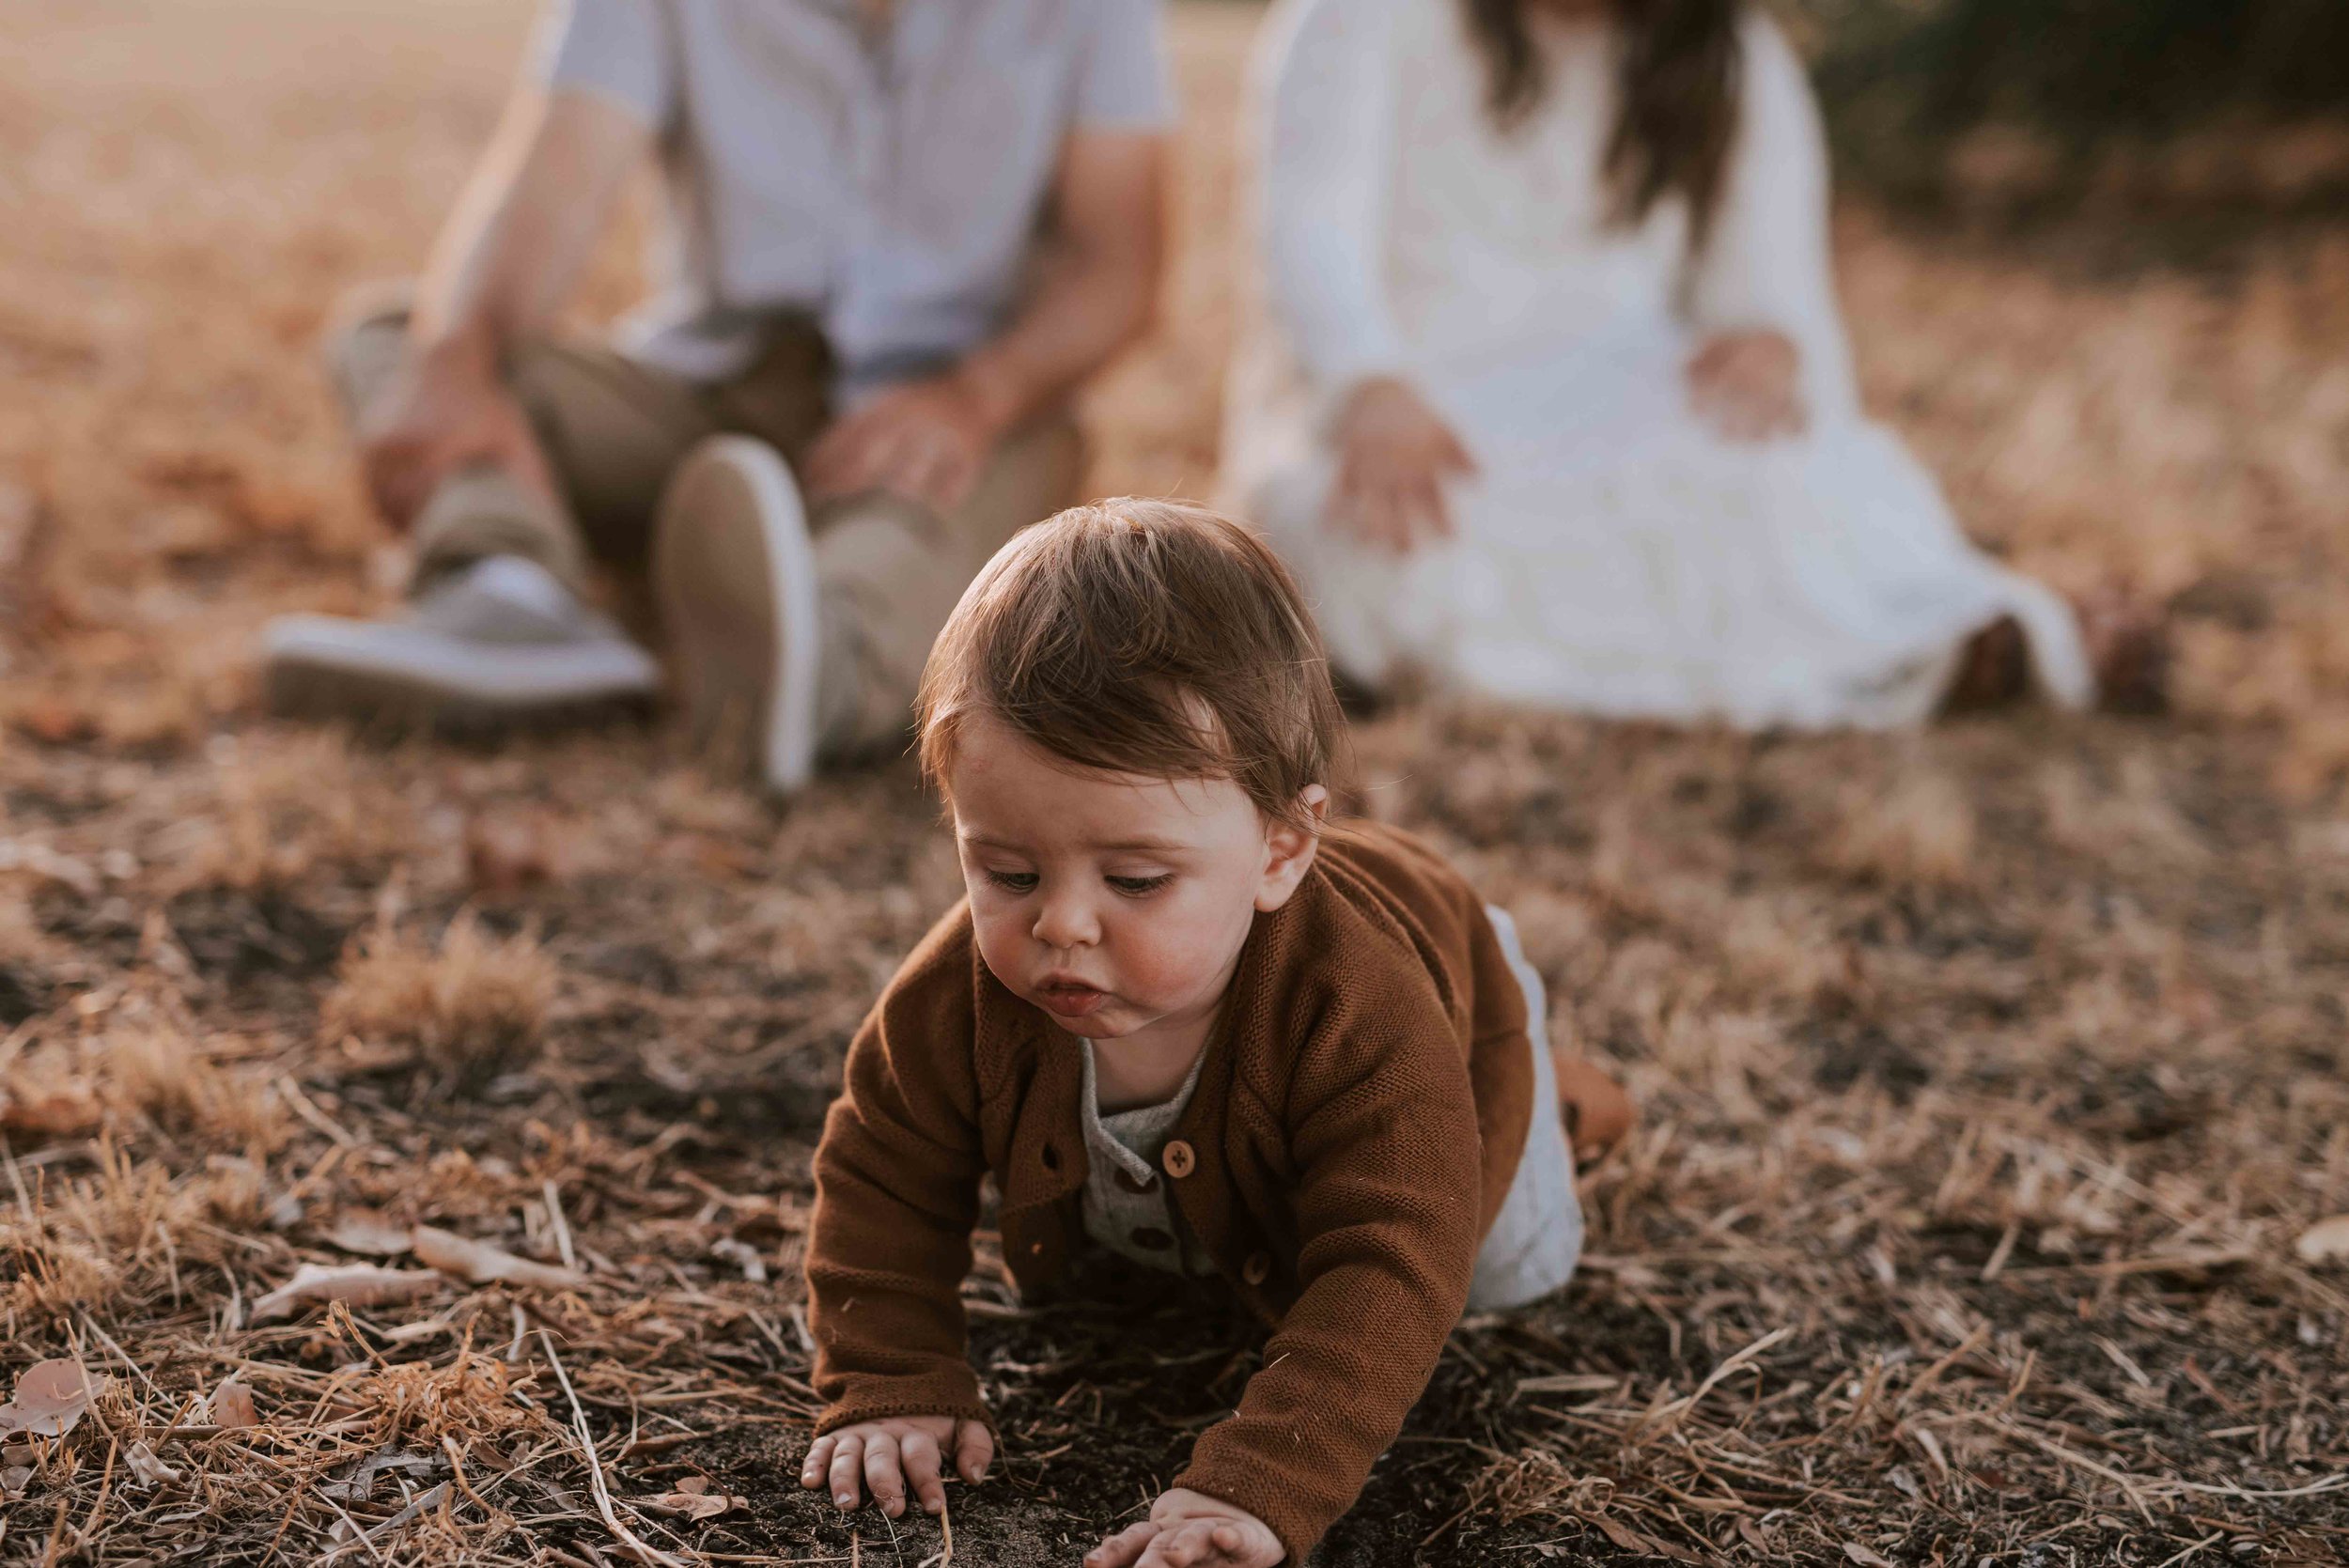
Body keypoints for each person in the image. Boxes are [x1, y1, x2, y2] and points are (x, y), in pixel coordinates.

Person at [795, 500, 1634, 1568]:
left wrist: (1259, 1485)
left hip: (1450, 1015)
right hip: (1268, 1112)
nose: (1061, 922)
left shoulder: (1357, 1011)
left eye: (1135, 879)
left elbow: (1392, 1259)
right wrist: (890, 1375)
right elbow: (883, 1168)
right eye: (1006, 869)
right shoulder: (958, 991)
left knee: (1501, 1264)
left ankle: (1549, 1097)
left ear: (1281, 852)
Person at [263, 0, 1171, 793]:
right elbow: (558, 178)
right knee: (398, 337)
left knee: (936, 526)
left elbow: (1118, 268)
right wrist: (460, 363)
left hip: (957, 404)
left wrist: (976, 397)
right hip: (704, 392)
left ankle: (813, 667)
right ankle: (510, 594)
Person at [1221, 0, 2152, 730]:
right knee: (1364, 553)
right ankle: (1902, 653)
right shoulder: (1357, 13)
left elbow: (1775, 305)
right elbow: (1308, 238)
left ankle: (1973, 632)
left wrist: (1770, 346)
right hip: (1412, 424)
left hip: (1632, 409)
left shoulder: (1736, 58)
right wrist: (1367, 386)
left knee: (1788, 471)